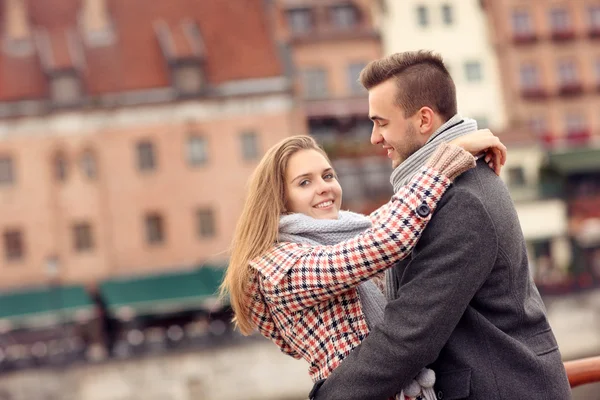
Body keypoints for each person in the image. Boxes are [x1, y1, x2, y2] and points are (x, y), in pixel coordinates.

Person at [310, 51, 571, 400]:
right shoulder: (447, 186)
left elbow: (410, 333)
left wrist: (328, 395)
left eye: (382, 122)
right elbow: (380, 236)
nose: (374, 137)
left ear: (423, 120)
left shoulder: (461, 199)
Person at [220, 127, 506, 399]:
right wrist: (448, 155)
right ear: (280, 201)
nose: (324, 188)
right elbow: (387, 240)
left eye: (328, 176)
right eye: (304, 182)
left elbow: (395, 216)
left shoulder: (347, 232)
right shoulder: (281, 268)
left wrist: (468, 155)